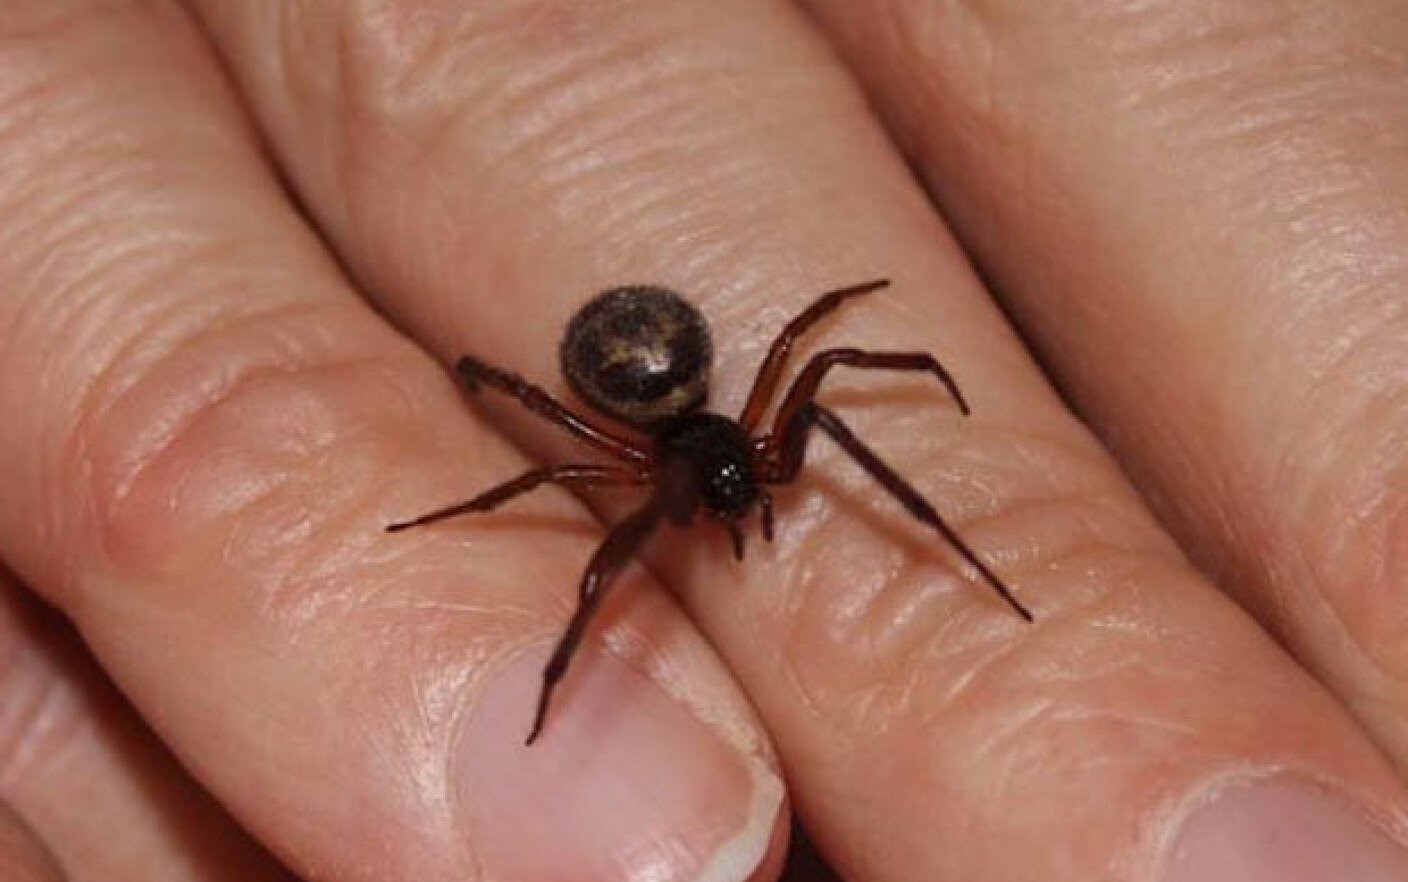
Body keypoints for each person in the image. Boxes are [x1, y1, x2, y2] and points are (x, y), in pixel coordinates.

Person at [0, 2, 1404, 881]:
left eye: (749, 481)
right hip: (627, 371)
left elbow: (824, 350)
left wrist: (908, 393)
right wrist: (466, 468)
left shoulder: (763, 424)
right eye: (734, 488)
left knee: (820, 393)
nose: (745, 497)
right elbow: (549, 440)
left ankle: (964, 567)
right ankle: (556, 698)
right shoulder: (644, 467)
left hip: (671, 364)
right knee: (574, 494)